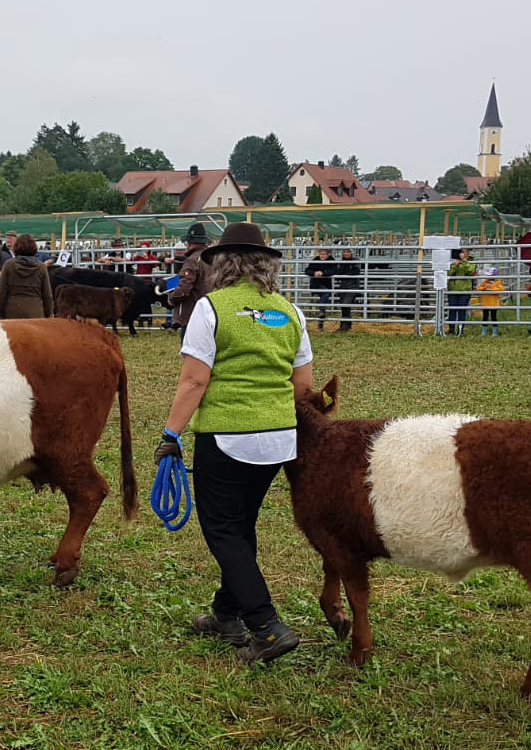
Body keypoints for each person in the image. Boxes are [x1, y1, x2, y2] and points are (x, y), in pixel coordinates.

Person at [159, 222, 316, 665]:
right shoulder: (290, 312)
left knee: (223, 529)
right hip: (280, 440)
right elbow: (301, 386)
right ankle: (226, 614)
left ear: (221, 264)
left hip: (228, 437)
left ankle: (266, 627)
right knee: (241, 525)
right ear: (267, 264)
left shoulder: (211, 308)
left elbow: (193, 380)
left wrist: (170, 434)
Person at [0, 234, 57, 320]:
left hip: (12, 311)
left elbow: (2, 292)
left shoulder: (9, 265)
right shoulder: (41, 267)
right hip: (35, 312)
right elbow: (47, 294)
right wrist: (49, 313)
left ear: (16, 247)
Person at [473, 264, 508, 336]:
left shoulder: (498, 282)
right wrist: (484, 287)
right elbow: (478, 288)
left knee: (494, 317)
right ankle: (484, 332)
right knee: (485, 317)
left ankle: (495, 332)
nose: (488, 277)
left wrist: (492, 287)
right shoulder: (485, 282)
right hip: (485, 303)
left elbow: (501, 289)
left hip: (494, 303)